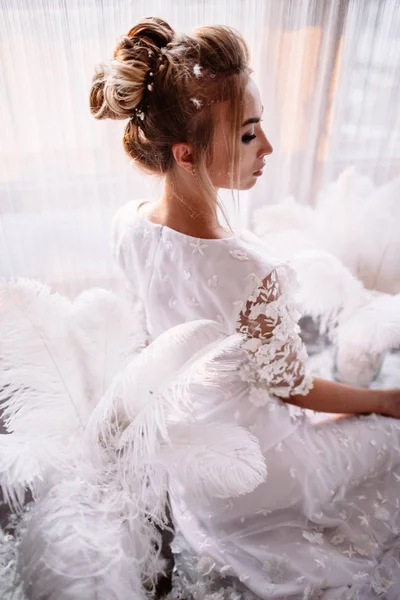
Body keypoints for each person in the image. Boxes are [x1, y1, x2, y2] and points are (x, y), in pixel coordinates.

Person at [90, 17, 400, 599]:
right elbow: (295, 389)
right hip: (263, 470)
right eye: (248, 134)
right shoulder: (248, 268)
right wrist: (384, 401)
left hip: (194, 466)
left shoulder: (127, 224)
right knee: (393, 442)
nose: (270, 148)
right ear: (186, 153)